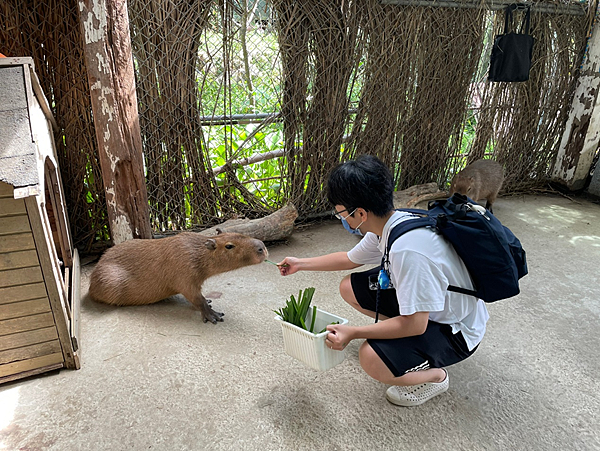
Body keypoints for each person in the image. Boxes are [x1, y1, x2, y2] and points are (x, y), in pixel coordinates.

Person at [277, 155, 489, 407]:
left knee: (371, 358)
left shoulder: (408, 252)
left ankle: (435, 377)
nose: (342, 219)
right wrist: (300, 263)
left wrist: (354, 332)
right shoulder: (391, 224)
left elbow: (415, 324)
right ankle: (397, 343)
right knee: (349, 287)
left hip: (455, 329)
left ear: (361, 213)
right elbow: (349, 259)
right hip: (431, 307)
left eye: (341, 213)